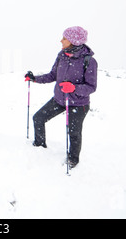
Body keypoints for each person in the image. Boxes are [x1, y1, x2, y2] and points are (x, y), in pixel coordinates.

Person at [25, 26, 97, 169]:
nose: (61, 40)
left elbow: (91, 87)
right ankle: (39, 147)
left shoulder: (89, 61)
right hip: (60, 99)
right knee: (38, 118)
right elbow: (53, 75)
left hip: (78, 103)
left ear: (73, 41)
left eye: (64, 38)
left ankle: (73, 160)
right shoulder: (62, 55)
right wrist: (34, 79)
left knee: (73, 132)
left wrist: (74, 88)